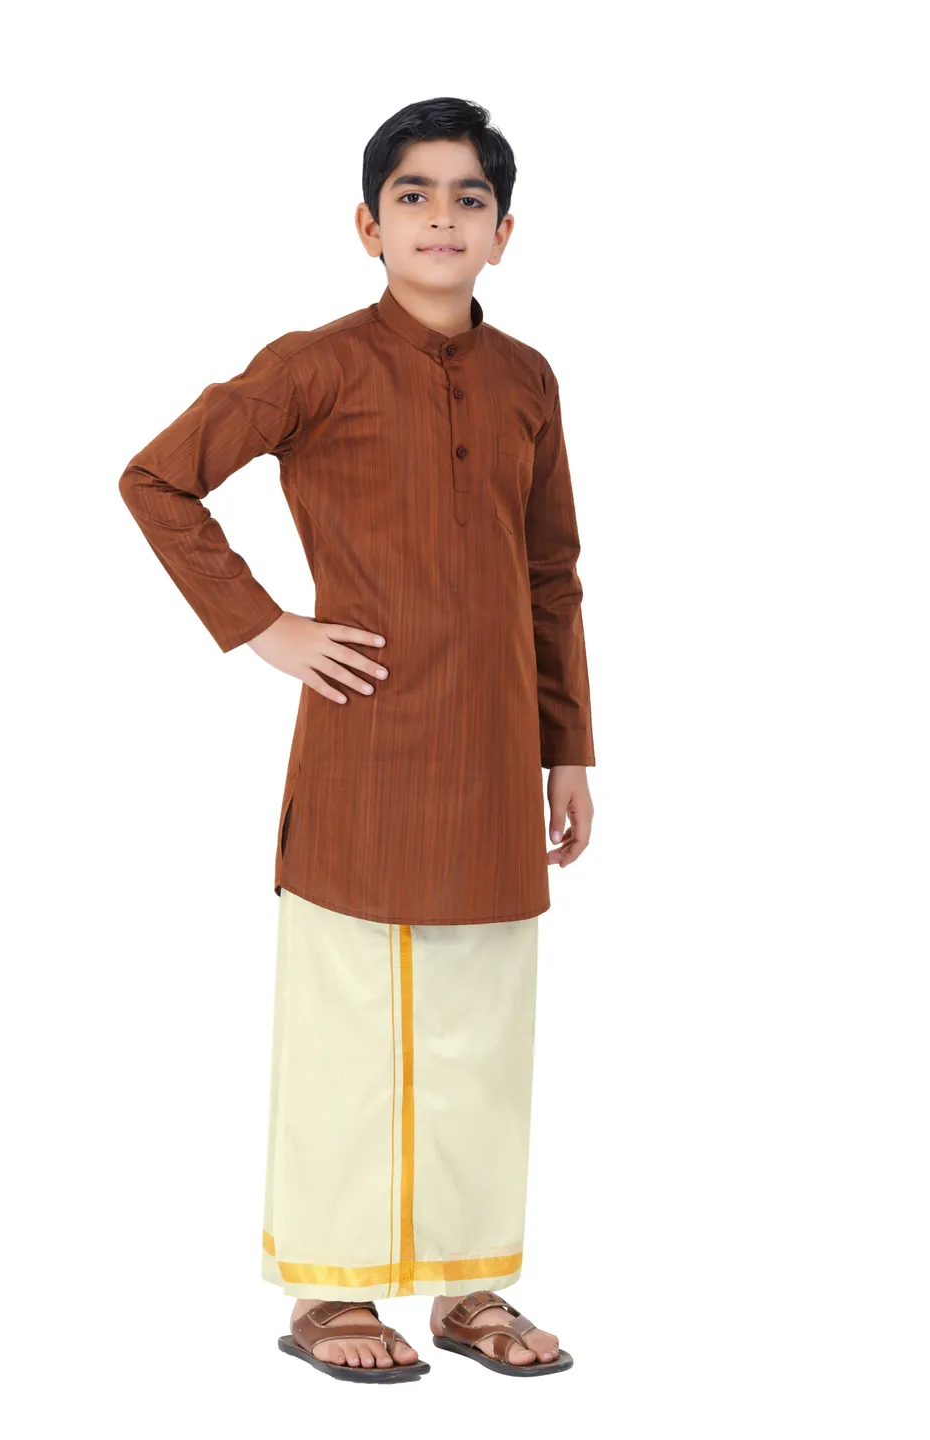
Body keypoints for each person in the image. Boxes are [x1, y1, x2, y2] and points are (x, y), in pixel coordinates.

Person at [118, 96, 595, 1383]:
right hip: (367, 756)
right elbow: (156, 479)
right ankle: (328, 1298)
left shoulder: (526, 379)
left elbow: (550, 572)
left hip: (495, 761)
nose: (441, 217)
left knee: (483, 1035)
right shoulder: (315, 364)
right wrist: (263, 626)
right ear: (367, 225)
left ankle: (468, 1288)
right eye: (412, 195)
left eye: (469, 198)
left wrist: (568, 747)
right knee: (350, 1037)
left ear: (504, 232)